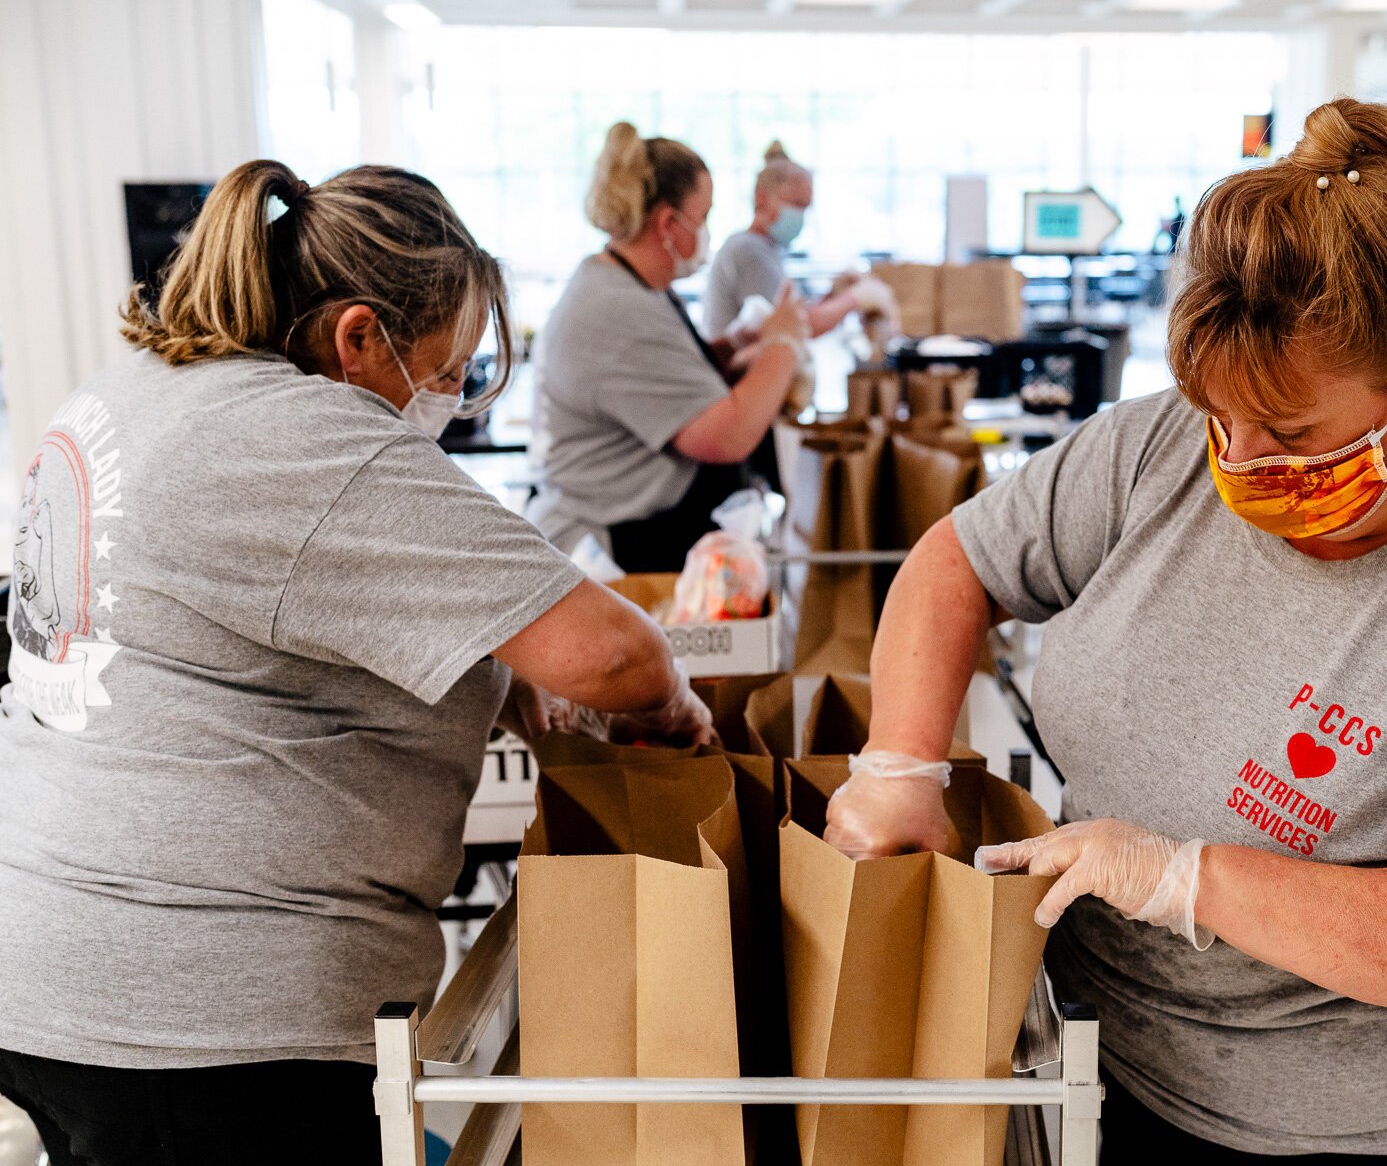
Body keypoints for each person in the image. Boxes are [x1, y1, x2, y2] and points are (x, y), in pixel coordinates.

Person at [825, 98, 1387, 1163]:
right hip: (1099, 1054)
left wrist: (1182, 877)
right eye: (1219, 416)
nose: (1240, 461)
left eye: (1291, 432)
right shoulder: (1154, 450)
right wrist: (901, 761)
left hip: (1347, 1130)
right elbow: (959, 561)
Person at [0, 159, 710, 1166]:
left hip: (54, 959)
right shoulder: (304, 435)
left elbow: (260, 629)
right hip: (202, 1016)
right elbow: (616, 654)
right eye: (452, 371)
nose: (452, 403)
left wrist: (513, 691)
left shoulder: (136, 391)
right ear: (360, 337)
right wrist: (673, 707)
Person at [530, 123, 805, 572]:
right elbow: (726, 435)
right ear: (668, 224)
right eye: (703, 217)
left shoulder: (631, 286)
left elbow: (669, 379)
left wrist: (734, 346)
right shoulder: (615, 309)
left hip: (647, 531)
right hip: (614, 550)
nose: (708, 233)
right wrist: (784, 343)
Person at [699, 141, 861, 342]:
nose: (800, 216)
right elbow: (795, 327)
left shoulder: (767, 249)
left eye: (805, 208)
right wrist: (854, 298)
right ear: (761, 199)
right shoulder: (748, 251)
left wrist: (834, 295)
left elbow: (792, 313)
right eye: (795, 204)